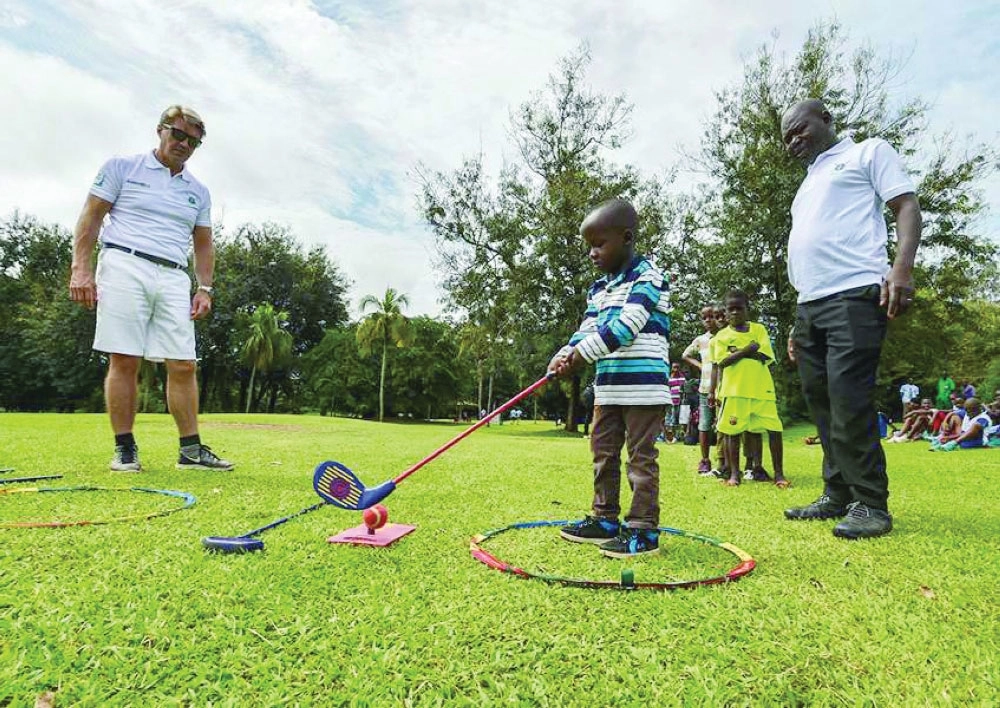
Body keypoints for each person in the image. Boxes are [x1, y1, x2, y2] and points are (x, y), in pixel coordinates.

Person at [781, 98, 922, 539]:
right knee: (821, 401)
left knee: (848, 397)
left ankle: (870, 504)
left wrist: (901, 268)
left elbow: (906, 206)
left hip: (855, 294)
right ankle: (837, 493)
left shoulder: (868, 152)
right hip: (811, 304)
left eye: (799, 129)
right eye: (786, 137)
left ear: (826, 119)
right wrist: (797, 317)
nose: (793, 141)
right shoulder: (808, 183)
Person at [69, 105, 234, 473]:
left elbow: (204, 243)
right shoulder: (122, 167)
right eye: (178, 134)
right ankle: (125, 449)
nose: (184, 144)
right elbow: (91, 216)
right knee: (125, 358)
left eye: (193, 141)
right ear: (160, 130)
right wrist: (82, 268)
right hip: (124, 263)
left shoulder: (198, 190)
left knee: (183, 363)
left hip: (174, 275)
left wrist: (204, 287)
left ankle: (190, 451)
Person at [549, 198, 670, 558]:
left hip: (644, 390)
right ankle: (604, 519)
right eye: (589, 245)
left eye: (599, 244)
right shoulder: (599, 289)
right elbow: (587, 329)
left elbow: (627, 326)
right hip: (608, 387)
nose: (592, 253)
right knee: (603, 454)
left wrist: (581, 355)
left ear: (627, 238)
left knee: (640, 460)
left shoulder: (648, 277)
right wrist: (562, 355)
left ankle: (643, 530)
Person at [708, 289, 788, 488]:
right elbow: (723, 361)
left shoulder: (759, 330)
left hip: (762, 390)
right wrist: (747, 350)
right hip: (734, 391)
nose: (735, 313)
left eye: (739, 308)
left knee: (774, 429)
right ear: (725, 313)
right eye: (731, 309)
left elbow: (765, 356)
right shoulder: (721, 336)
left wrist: (736, 352)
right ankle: (735, 474)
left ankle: (779, 474)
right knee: (732, 432)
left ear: (747, 310)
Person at [682, 305, 722, 473]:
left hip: (724, 387)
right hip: (705, 388)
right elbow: (686, 355)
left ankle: (723, 460)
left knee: (722, 425)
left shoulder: (725, 336)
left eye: (711, 316)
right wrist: (701, 365)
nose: (708, 320)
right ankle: (705, 460)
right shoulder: (700, 340)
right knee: (704, 424)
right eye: (704, 318)